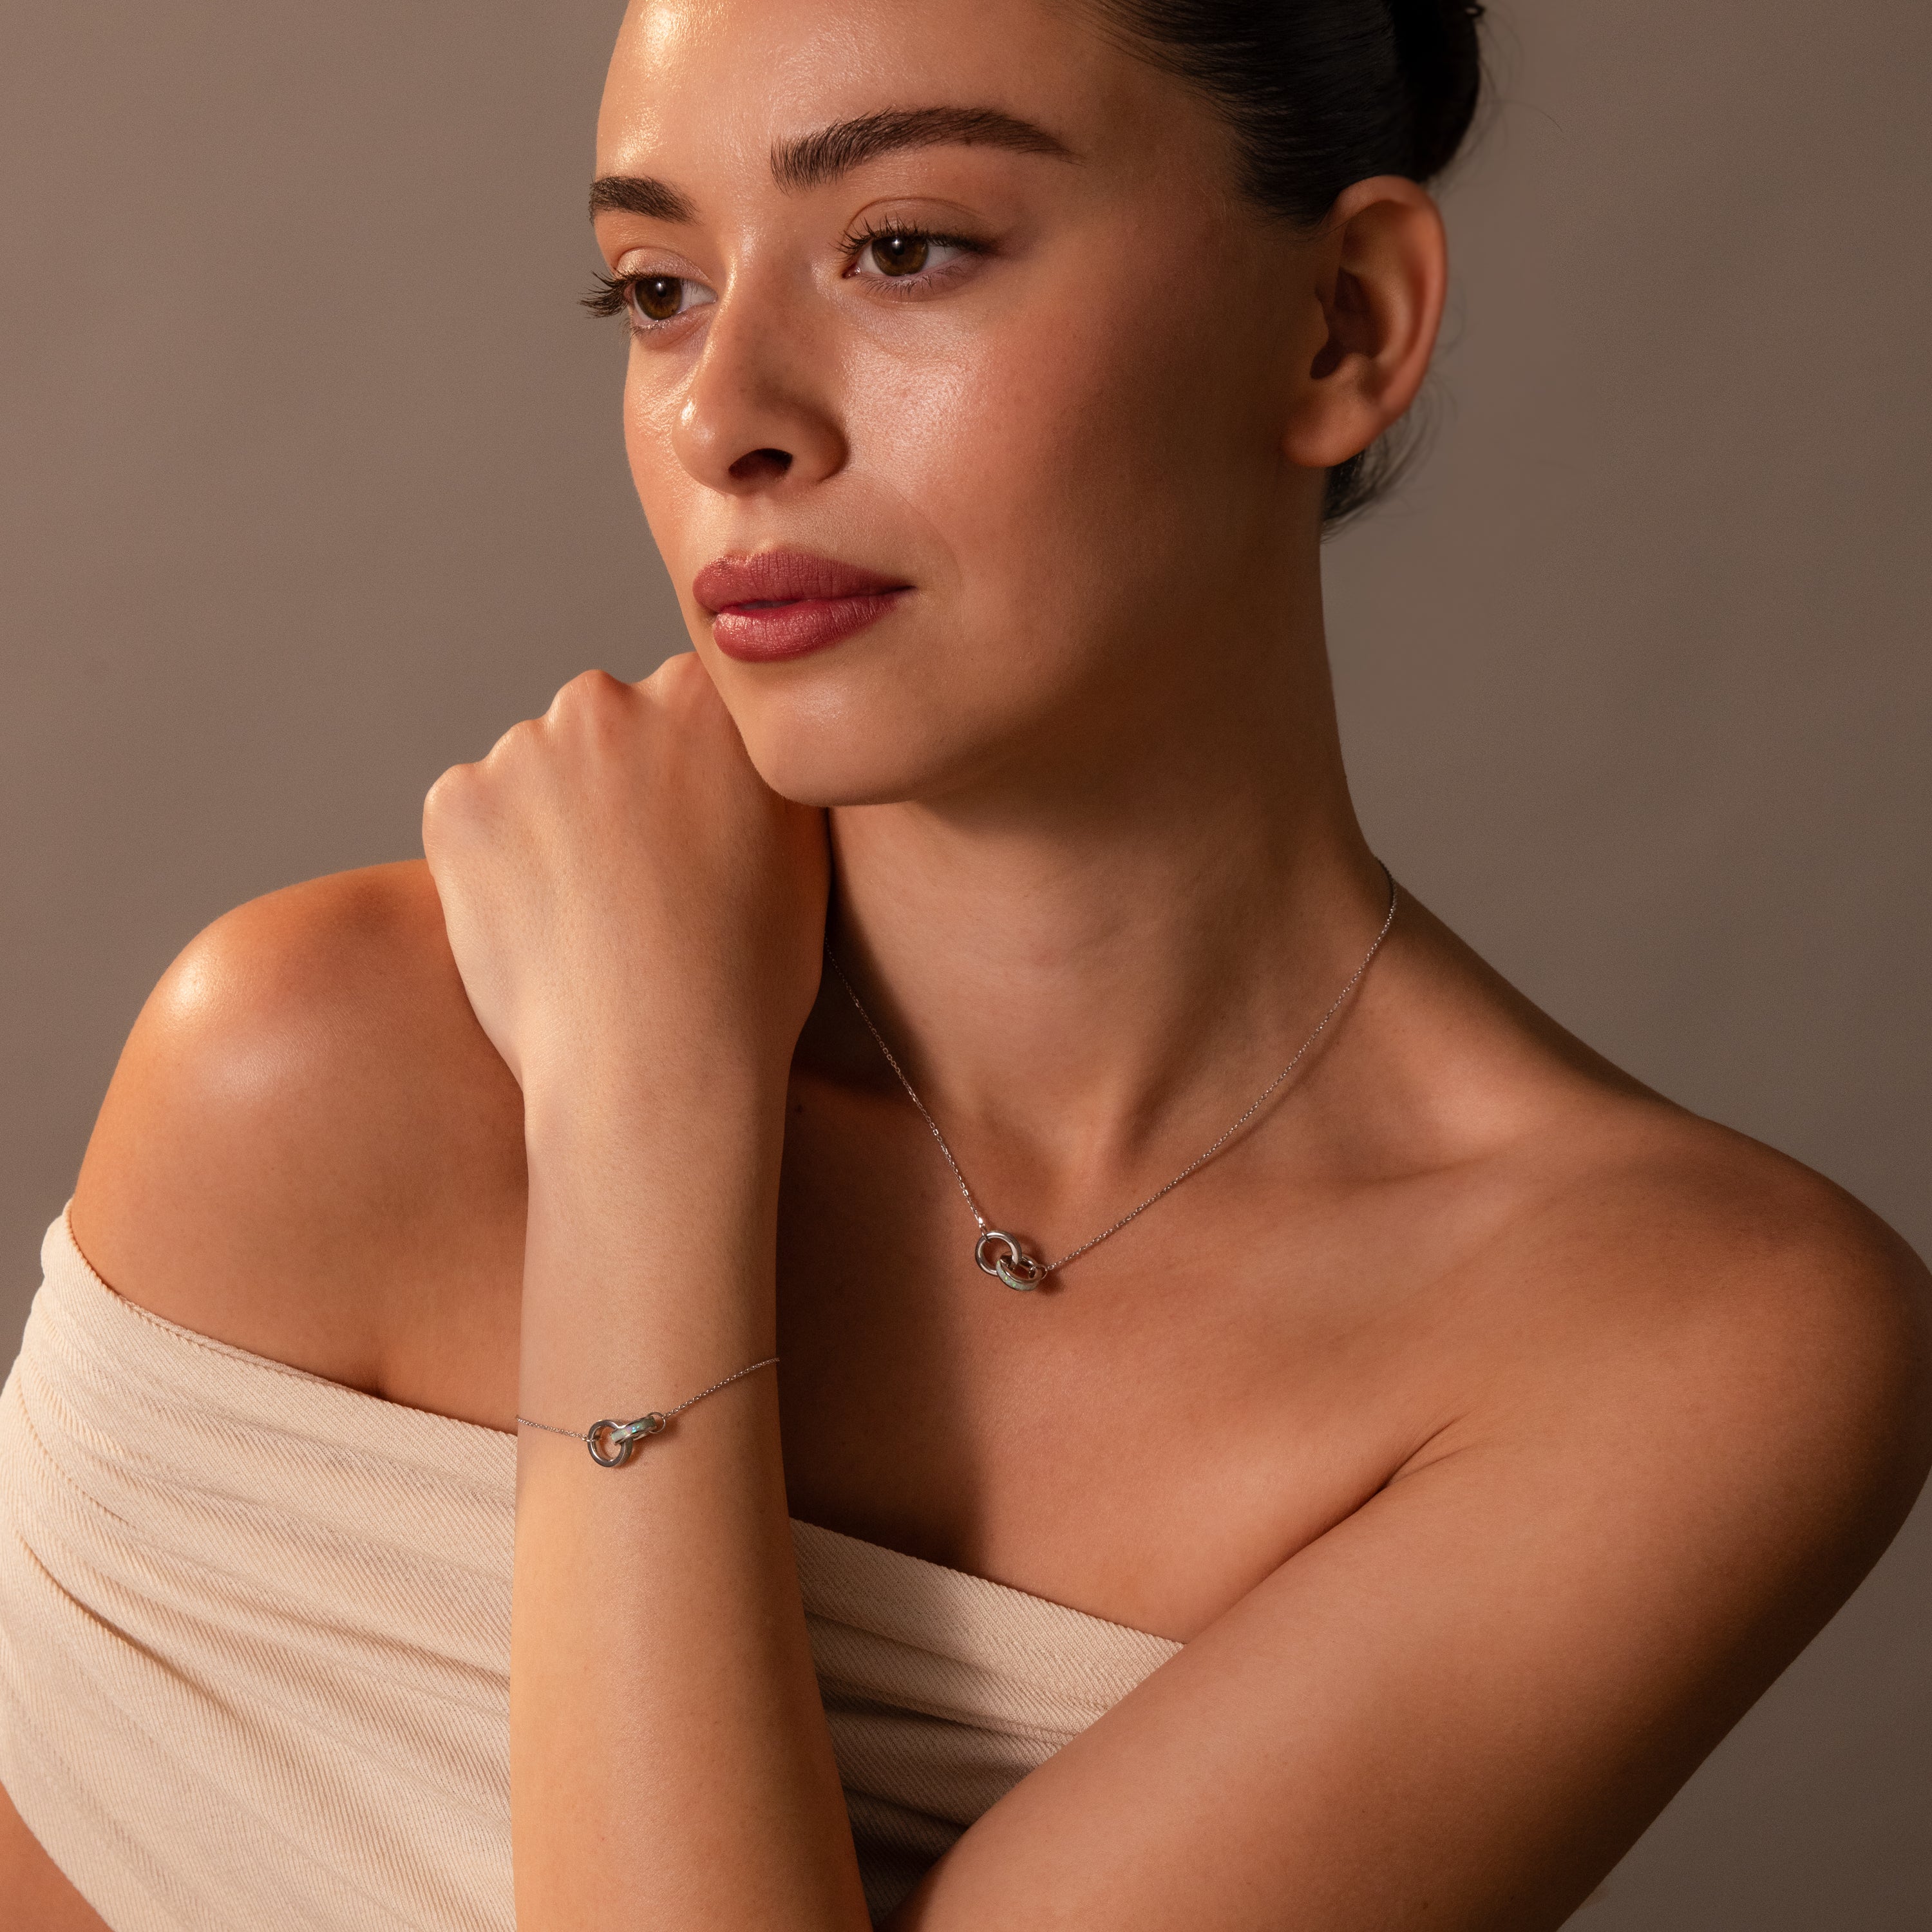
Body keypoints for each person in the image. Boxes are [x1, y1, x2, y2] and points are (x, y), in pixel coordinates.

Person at [3, 0, 1927, 1926]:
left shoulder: (1679, 1339)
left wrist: (644, 1128)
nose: (722, 410)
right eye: (658, 286)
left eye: (904, 247)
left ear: (1344, 321)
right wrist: (637, 1089)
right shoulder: (315, 1074)